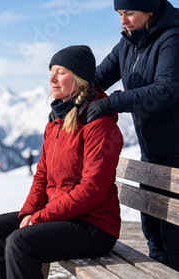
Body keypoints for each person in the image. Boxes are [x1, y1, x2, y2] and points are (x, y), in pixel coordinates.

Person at [0, 45, 124, 279]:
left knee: (20, 242)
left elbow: (91, 190)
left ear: (79, 78)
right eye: (51, 71)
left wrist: (40, 218)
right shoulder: (55, 122)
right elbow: (41, 177)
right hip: (61, 216)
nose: (52, 79)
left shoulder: (100, 126)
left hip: (93, 227)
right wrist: (29, 212)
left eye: (61, 72)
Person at [86, 0, 179, 271]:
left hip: (176, 152)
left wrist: (113, 103)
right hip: (150, 151)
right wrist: (69, 102)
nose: (123, 20)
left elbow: (166, 90)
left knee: (174, 239)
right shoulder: (128, 43)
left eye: (129, 13)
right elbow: (97, 79)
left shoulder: (172, 39)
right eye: (119, 13)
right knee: (153, 233)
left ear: (150, 11)